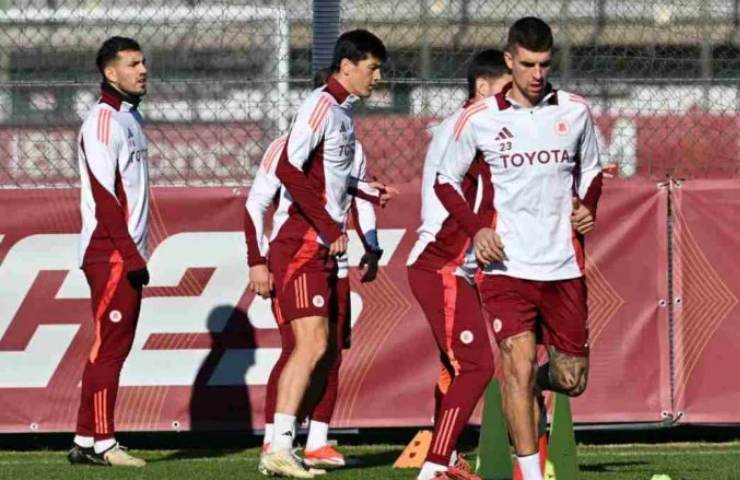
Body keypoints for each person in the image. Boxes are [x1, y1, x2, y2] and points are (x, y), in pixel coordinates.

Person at [435, 17, 603, 480]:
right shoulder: (480, 118)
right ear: (509, 61)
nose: (536, 74)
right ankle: (528, 473)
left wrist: (588, 204)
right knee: (516, 360)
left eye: (545, 64)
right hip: (506, 265)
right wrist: (476, 230)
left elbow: (591, 170)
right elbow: (445, 180)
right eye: (527, 64)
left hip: (564, 265)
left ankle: (527, 385)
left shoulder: (575, 111)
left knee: (572, 379)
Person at [245, 71, 390, 473]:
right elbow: (257, 203)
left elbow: (350, 191)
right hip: (301, 250)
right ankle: (277, 441)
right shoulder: (296, 135)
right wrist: (256, 260)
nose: (378, 77)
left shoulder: (347, 135)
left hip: (333, 257)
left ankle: (314, 442)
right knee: (301, 348)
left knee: (327, 351)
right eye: (372, 68)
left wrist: (371, 239)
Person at [406, 49, 510, 480]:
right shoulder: (468, 126)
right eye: (508, 86)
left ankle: (445, 460)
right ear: (483, 88)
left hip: (455, 264)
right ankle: (433, 467)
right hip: (441, 263)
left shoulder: (475, 125)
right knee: (477, 366)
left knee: (456, 368)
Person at [67, 36, 150, 468]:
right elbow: (104, 196)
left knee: (109, 345)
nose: (143, 70)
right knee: (110, 349)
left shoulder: (130, 118)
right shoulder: (102, 122)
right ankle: (104, 442)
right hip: (111, 251)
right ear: (109, 73)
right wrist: (131, 255)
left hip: (122, 251)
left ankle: (83, 440)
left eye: (143, 62)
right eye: (133, 64)